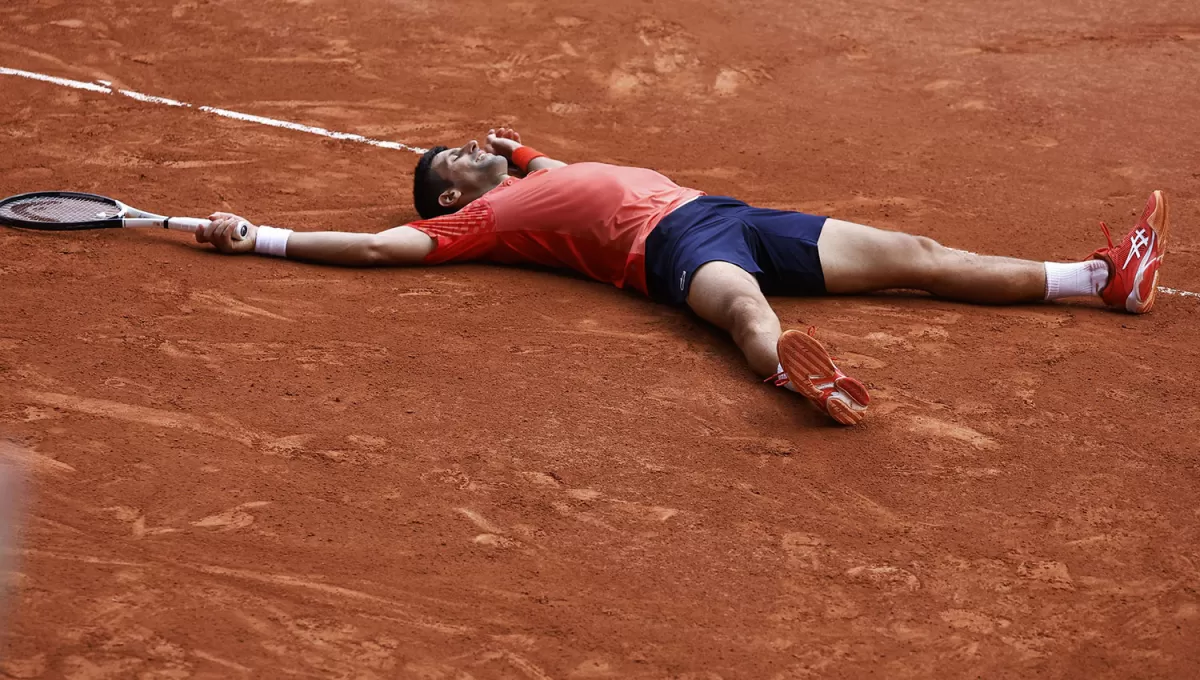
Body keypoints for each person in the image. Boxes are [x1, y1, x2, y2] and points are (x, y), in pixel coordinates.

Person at [196, 128, 1170, 425]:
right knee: (742, 307)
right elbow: (379, 248)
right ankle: (794, 373)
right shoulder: (483, 220)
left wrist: (526, 145)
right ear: (448, 199)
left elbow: (581, 174)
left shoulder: (535, 172)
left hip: (728, 212)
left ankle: (1097, 279)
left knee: (917, 255)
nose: (459, 152)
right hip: (670, 255)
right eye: (447, 161)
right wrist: (263, 238)